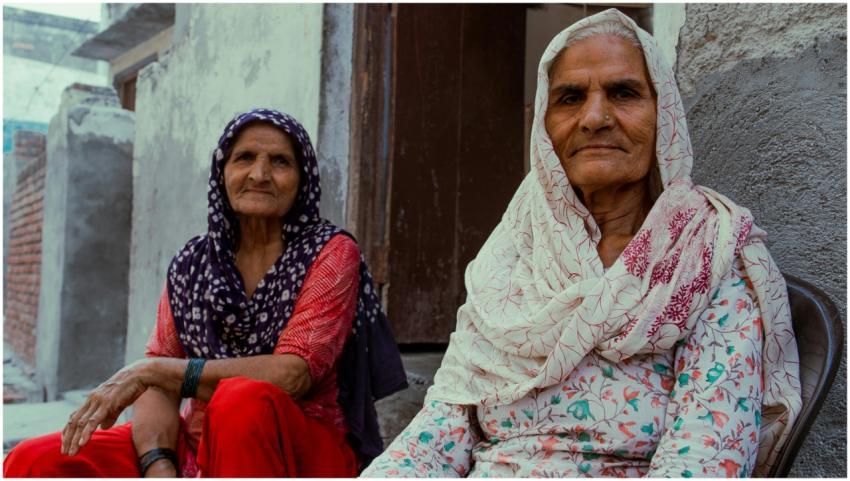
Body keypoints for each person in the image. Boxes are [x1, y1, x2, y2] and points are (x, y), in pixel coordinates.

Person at [362, 9, 800, 478]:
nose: (594, 118)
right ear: (544, 127)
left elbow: (704, 458)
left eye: (624, 93)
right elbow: (442, 428)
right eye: (570, 98)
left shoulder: (706, 253)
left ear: (664, 114)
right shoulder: (514, 253)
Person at [4, 108, 407, 478]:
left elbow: (293, 374)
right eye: (244, 158)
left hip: (300, 447)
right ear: (222, 171)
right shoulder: (194, 261)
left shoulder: (331, 252)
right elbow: (159, 378)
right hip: (197, 445)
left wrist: (153, 371)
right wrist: (158, 464)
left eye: (280, 161)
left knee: (239, 401)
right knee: (34, 461)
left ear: (302, 180)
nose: (260, 174)